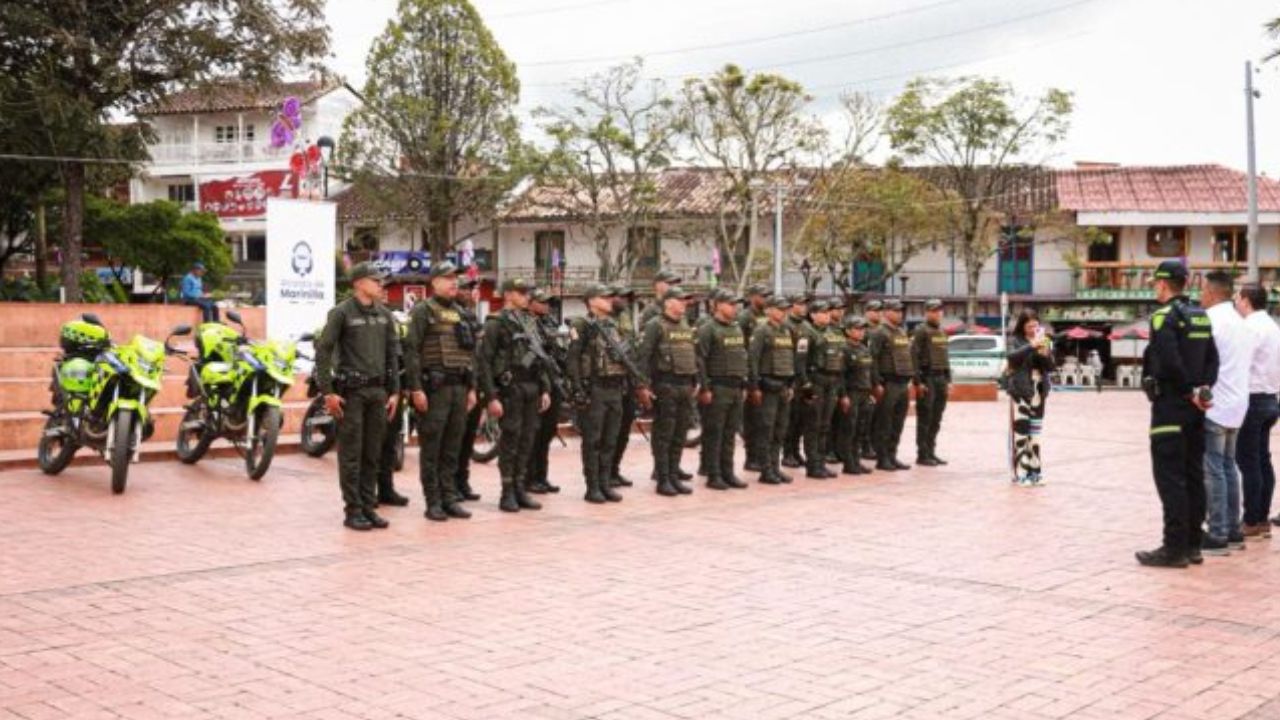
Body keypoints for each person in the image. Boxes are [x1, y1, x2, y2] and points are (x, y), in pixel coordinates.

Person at [1136, 260, 1218, 568]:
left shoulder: (1163, 317)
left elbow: (1169, 361)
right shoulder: (1200, 315)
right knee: (1193, 475)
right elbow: (1213, 359)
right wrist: (1201, 390)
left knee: (1170, 479)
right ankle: (1193, 545)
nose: (1155, 289)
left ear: (1162, 283)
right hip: (1196, 409)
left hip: (1170, 406)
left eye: (1155, 284)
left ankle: (1174, 549)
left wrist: (1185, 391)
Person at [314, 262, 400, 531]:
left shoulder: (385, 315)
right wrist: (328, 392)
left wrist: (395, 391)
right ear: (359, 283)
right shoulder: (341, 313)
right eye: (375, 280)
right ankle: (353, 510)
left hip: (378, 392)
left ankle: (368, 506)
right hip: (351, 393)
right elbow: (323, 351)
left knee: (373, 453)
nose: (380, 285)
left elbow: (392, 355)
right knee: (352, 454)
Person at [403, 261, 476, 522]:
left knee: (453, 447)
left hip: (459, 388)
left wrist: (472, 388)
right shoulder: (423, 311)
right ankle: (433, 501)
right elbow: (411, 351)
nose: (454, 282)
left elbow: (469, 353)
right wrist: (415, 388)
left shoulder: (460, 312)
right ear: (434, 282)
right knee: (432, 448)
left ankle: (449, 498)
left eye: (455, 277)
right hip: (435, 390)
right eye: (447, 277)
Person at [568, 285, 652, 503]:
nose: (610, 300)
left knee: (610, 439)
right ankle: (592, 487)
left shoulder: (612, 325)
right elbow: (573, 359)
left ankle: (605, 483)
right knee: (593, 440)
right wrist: (577, 389)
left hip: (615, 388)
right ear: (592, 301)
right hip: (595, 388)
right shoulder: (582, 325)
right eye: (605, 297)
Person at [476, 278, 552, 513]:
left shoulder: (530, 321)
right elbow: (484, 362)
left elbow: (538, 357)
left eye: (527, 292)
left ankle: (520, 488)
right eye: (521, 292)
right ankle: (507, 492)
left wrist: (545, 388)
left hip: (531, 386)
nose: (527, 296)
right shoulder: (496, 323)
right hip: (511, 389)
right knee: (510, 440)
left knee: (527, 439)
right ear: (508, 295)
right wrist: (491, 397)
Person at [1200, 271, 1250, 554]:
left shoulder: (1210, 320)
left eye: (1202, 290)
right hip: (1238, 404)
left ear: (1211, 291)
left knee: (1213, 469)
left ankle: (1217, 532)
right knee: (1229, 467)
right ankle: (1233, 530)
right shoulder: (1241, 322)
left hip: (1215, 404)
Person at [637, 286, 699, 496]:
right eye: (680, 300)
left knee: (680, 433)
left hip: (685, 385)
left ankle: (673, 475)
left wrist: (695, 381)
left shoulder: (684, 324)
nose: (684, 304)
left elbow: (692, 354)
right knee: (665, 434)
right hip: (665, 385)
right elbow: (644, 357)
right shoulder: (655, 325)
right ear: (668, 302)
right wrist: (642, 386)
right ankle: (663, 478)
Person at [1236, 283, 1280, 539]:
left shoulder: (1250, 327)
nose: (1236, 302)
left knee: (1248, 461)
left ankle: (1251, 519)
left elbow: (1240, 361)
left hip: (1252, 399)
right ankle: (1262, 517)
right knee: (1262, 459)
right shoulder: (1273, 326)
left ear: (1245, 300)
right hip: (1271, 398)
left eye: (1237, 297)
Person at [696, 289, 750, 492]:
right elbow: (700, 360)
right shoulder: (708, 329)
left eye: (736, 304)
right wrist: (705, 387)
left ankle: (728, 472)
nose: (735, 307)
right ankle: (714, 474)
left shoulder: (736, 328)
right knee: (715, 433)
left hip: (735, 387)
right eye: (730, 303)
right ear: (717, 305)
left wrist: (744, 384)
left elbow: (742, 357)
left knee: (730, 433)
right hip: (718, 387)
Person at [748, 295, 797, 485]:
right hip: (768, 385)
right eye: (779, 309)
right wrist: (755, 386)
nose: (783, 312)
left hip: (783, 385)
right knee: (767, 429)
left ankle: (775, 466)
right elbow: (753, 359)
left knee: (780, 429)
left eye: (785, 309)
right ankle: (766, 469)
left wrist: (791, 385)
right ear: (769, 310)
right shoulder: (762, 330)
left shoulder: (787, 330)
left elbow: (791, 358)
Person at [1006, 309, 1055, 487]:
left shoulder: (1044, 341)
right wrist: (1031, 346)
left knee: (1035, 434)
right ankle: (1020, 473)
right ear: (1022, 326)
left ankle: (1035, 472)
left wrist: (1045, 354)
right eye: (1029, 326)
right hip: (1020, 391)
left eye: (1036, 325)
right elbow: (1011, 357)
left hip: (1038, 391)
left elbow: (1050, 367)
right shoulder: (1014, 340)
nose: (1033, 329)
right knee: (1021, 433)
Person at [868, 299, 913, 471]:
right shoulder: (879, 332)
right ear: (886, 312)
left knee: (897, 423)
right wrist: (876, 383)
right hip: (888, 382)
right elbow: (872, 359)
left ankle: (892, 455)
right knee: (884, 423)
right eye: (895, 311)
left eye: (901, 311)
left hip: (902, 382)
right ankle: (883, 458)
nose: (899, 314)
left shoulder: (901, 331)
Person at [797, 301, 841, 479]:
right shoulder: (806, 333)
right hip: (816, 381)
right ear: (813, 315)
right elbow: (800, 362)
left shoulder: (832, 333)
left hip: (831, 381)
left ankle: (821, 462)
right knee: (813, 425)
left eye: (828, 312)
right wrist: (806, 385)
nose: (827, 315)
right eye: (822, 312)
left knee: (825, 425)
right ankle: (813, 464)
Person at [529, 288, 565, 495]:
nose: (546, 306)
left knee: (548, 432)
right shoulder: (526, 324)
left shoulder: (550, 323)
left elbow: (559, 352)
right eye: (542, 302)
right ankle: (530, 477)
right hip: (538, 383)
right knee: (534, 433)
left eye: (548, 302)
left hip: (554, 381)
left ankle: (541, 476)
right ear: (531, 303)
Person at [374, 307, 411, 509]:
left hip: (394, 391)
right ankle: (367, 493)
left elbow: (402, 358)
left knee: (390, 443)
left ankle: (386, 490)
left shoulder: (396, 322)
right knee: (372, 445)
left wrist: (403, 388)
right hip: (374, 389)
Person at [452, 277, 485, 501]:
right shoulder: (450, 314)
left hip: (474, 382)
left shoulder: (471, 316)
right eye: (464, 288)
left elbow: (478, 351)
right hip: (457, 383)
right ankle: (450, 485)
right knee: (454, 439)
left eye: (471, 288)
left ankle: (462, 482)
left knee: (468, 437)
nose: (469, 292)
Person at [912, 299, 952, 466]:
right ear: (927, 312)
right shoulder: (921, 330)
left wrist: (948, 380)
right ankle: (922, 454)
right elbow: (914, 356)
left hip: (941, 378)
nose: (937, 314)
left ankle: (931, 451)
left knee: (936, 417)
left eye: (940, 311)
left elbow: (945, 357)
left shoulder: (942, 331)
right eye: (934, 311)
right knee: (925, 417)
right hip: (927, 377)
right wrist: (917, 382)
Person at [739, 284, 772, 472]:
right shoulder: (745, 317)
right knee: (751, 418)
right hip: (751, 371)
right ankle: (751, 457)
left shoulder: (766, 316)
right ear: (752, 297)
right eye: (762, 295)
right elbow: (742, 348)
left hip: (765, 370)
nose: (765, 299)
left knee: (763, 420)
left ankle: (761, 456)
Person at [609, 286, 639, 489]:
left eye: (627, 298)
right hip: (611, 380)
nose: (625, 301)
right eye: (621, 297)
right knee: (610, 431)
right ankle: (605, 473)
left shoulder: (626, 317)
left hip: (628, 380)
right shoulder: (602, 320)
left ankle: (614, 470)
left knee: (624, 429)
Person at [839, 315, 876, 475]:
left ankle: (856, 459)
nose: (861, 332)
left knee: (861, 428)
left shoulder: (864, 349)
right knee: (850, 428)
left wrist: (870, 392)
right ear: (848, 331)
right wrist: (843, 395)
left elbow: (868, 372)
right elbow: (841, 375)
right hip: (852, 392)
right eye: (857, 329)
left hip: (864, 392)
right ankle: (848, 463)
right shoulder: (844, 349)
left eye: (863, 329)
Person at [782, 294, 811, 468]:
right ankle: (787, 453)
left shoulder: (806, 326)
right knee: (790, 419)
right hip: (792, 376)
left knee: (801, 418)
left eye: (805, 304)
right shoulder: (786, 325)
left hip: (804, 376)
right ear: (792, 305)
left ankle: (796, 451)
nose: (803, 307)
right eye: (800, 304)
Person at [858, 300, 883, 461]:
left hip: (878, 376)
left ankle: (873, 445)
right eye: (875, 310)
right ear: (866, 312)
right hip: (865, 378)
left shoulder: (881, 330)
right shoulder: (863, 331)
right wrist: (873, 381)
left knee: (876, 416)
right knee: (865, 416)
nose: (878, 313)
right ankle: (864, 446)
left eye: (880, 310)